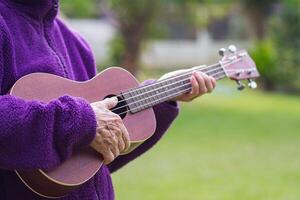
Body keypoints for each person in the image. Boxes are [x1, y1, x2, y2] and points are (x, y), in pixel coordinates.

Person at [0, 0, 216, 199]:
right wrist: (82, 122)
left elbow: (88, 163)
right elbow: (84, 123)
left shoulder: (75, 43)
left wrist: (164, 94)